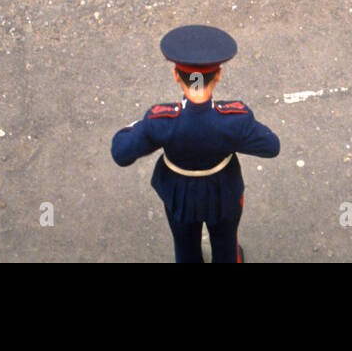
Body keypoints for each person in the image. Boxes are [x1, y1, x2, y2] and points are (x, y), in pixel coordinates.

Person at [111, 25, 280, 262]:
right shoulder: (235, 120)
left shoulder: (159, 121)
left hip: (178, 192)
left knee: (184, 245)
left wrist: (137, 126)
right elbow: (271, 146)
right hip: (224, 190)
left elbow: (121, 153)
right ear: (219, 74)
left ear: (176, 75)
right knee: (226, 243)